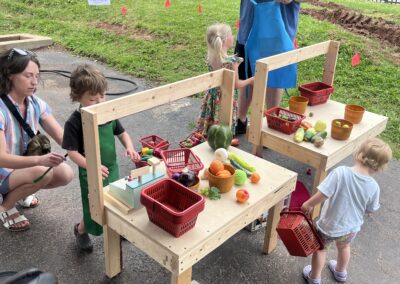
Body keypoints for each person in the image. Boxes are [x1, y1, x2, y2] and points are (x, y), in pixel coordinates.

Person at [62, 64, 140, 252]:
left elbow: (122, 133)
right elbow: (72, 153)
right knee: (93, 208)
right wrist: (92, 166)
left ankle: (117, 229)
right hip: (90, 171)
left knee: (114, 200)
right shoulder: (74, 122)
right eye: (92, 99)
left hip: (111, 168)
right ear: (78, 97)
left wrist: (129, 147)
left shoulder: (107, 113)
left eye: (102, 97)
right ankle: (81, 230)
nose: (99, 103)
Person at [0, 48, 74, 232]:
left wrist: (86, 137)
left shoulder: (34, 103)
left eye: (37, 76)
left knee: (65, 174)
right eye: (28, 76)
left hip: (19, 168)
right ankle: (5, 207)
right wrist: (40, 160)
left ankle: (17, 193)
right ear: (10, 75)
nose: (34, 82)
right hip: (2, 170)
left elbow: (63, 137)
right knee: (44, 171)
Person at [301, 138, 392, 284]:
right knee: (344, 247)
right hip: (351, 228)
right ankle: (340, 272)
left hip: (329, 226)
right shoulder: (374, 186)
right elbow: (371, 209)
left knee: (320, 249)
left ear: (358, 154)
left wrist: (308, 204)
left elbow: (323, 193)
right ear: (379, 167)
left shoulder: (340, 172)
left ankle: (314, 277)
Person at [235, 0, 302, 135]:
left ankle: (272, 123)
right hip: (249, 27)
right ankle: (240, 120)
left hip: (279, 32)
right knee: (248, 74)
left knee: (275, 77)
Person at [197, 23, 254, 136]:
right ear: (224, 40)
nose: (233, 37)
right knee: (223, 121)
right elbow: (236, 84)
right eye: (231, 34)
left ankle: (209, 137)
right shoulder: (231, 62)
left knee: (212, 117)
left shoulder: (211, 58)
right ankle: (222, 139)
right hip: (225, 96)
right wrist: (251, 80)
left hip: (212, 95)